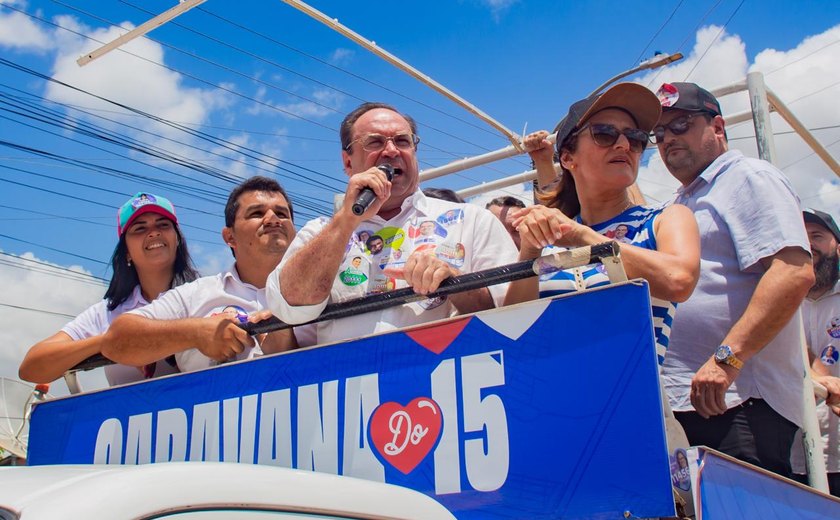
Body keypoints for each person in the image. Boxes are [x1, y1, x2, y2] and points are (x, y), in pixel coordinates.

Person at [654, 81, 815, 478]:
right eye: (658, 134)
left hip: (739, 403)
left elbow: (793, 271)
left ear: (719, 127)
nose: (667, 139)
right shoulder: (681, 201)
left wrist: (727, 359)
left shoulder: (747, 178)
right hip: (693, 403)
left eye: (681, 125)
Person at [266, 102, 518, 345]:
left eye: (402, 141)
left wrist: (455, 283)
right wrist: (346, 220)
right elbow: (290, 307)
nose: (391, 151)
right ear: (347, 162)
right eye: (375, 142)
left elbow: (515, 317)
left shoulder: (472, 221)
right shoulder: (319, 231)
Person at [509, 83, 700, 366]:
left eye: (635, 138)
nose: (624, 145)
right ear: (567, 158)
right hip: (555, 401)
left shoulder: (666, 218)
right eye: (605, 134)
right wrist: (529, 251)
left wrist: (580, 236)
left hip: (635, 402)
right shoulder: (552, 239)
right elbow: (511, 328)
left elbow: (678, 280)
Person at [103, 177, 299, 372]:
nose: (273, 219)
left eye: (282, 214)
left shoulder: (323, 289)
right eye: (256, 213)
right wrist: (197, 333)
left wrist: (289, 346)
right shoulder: (195, 296)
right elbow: (117, 339)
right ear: (229, 237)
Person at [19, 193, 199, 385]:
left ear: (177, 239)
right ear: (127, 252)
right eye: (140, 228)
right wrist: (109, 342)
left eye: (163, 225)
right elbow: (32, 368)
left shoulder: (205, 294)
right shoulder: (105, 314)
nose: (154, 233)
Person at [791, 209, 840, 495]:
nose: (808, 244)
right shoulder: (780, 303)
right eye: (802, 236)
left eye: (817, 236)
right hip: (795, 458)